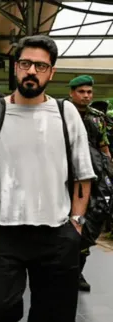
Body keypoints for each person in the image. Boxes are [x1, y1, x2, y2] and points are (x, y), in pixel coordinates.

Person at [0, 35, 94, 322]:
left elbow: (83, 174)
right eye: (25, 64)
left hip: (57, 234)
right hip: (3, 234)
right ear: (15, 68)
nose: (31, 71)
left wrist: (76, 223)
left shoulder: (66, 114)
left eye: (40, 65)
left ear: (51, 73)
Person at [68, 74, 112, 292]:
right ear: (72, 93)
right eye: (81, 92)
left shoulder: (97, 117)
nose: (86, 96)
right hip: (65, 178)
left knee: (90, 222)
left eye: (89, 92)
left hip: (93, 178)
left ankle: (77, 271)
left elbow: (104, 147)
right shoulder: (61, 114)